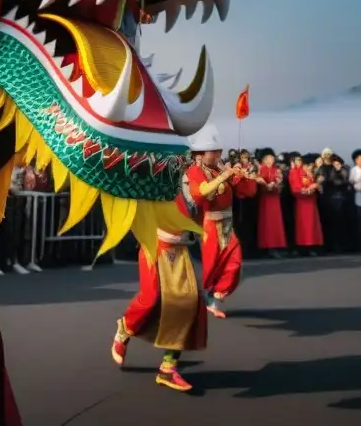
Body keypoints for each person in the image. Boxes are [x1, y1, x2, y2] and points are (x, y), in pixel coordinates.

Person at [111, 194, 206, 392]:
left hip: (179, 251)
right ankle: (125, 328)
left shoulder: (183, 182)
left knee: (187, 304)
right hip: (154, 247)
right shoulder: (150, 182)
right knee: (151, 298)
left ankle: (168, 368)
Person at [185, 124, 258, 318]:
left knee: (235, 262)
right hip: (210, 225)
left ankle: (216, 295)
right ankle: (209, 297)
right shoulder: (194, 171)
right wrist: (225, 174)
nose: (218, 155)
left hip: (227, 224)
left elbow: (247, 192)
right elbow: (201, 192)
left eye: (219, 151)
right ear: (200, 154)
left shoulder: (219, 169)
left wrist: (241, 177)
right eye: (214, 151)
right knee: (213, 265)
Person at [289, 152, 323, 255]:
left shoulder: (312, 174)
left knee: (313, 226)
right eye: (309, 166)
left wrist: (317, 184)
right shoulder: (295, 172)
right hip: (302, 203)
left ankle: (313, 246)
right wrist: (309, 189)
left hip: (311, 203)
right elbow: (295, 188)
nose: (310, 168)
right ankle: (303, 247)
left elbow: (319, 189)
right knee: (303, 226)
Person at [255, 148, 287, 257]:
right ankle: (266, 247)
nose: (270, 160)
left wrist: (277, 184)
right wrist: (266, 185)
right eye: (268, 158)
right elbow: (258, 181)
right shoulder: (261, 169)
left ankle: (275, 246)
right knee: (266, 223)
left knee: (275, 223)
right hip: (265, 199)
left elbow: (280, 184)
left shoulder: (276, 170)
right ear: (263, 159)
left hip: (275, 199)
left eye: (272, 158)